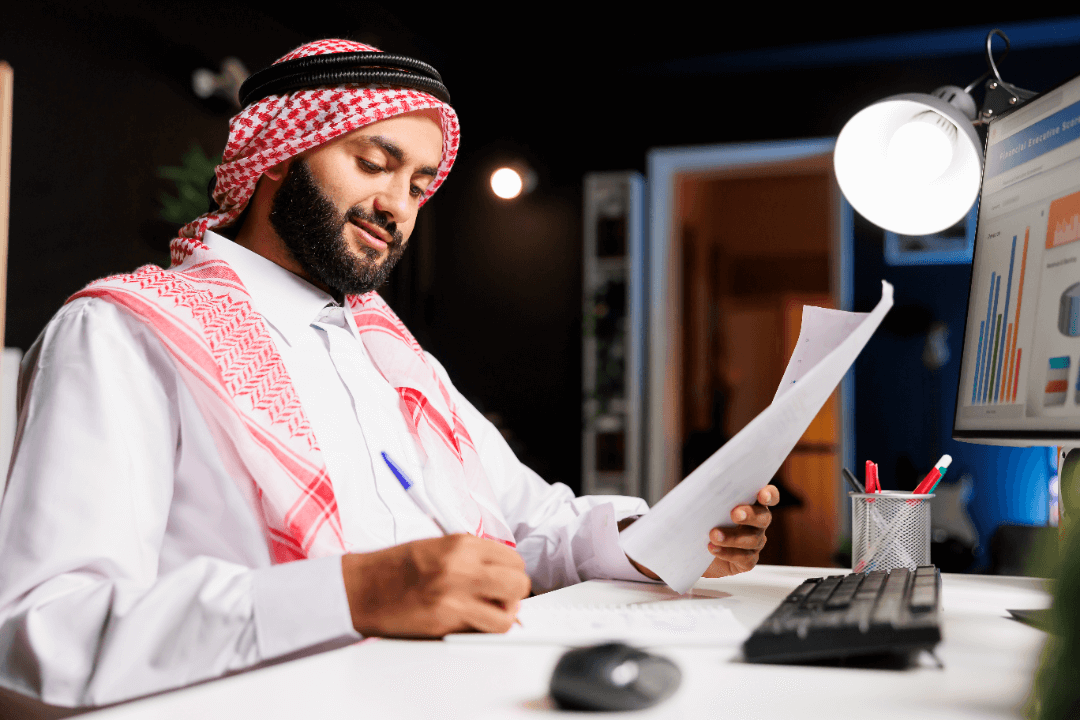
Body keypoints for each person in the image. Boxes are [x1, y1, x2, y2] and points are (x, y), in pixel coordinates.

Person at [0, 39, 778, 709]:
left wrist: (655, 540)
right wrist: (355, 594)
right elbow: (40, 633)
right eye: (374, 163)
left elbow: (533, 526)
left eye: (417, 185)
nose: (397, 207)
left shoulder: (391, 354)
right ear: (279, 155)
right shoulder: (123, 333)